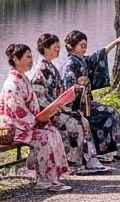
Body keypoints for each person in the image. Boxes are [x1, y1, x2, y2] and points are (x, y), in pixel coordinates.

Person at [30, 33, 109, 173]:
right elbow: (40, 98)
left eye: (58, 47)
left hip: (57, 108)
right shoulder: (40, 70)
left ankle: (88, 158)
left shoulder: (50, 67)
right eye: (55, 47)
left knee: (81, 119)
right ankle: (74, 164)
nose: (58, 50)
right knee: (74, 123)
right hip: (47, 113)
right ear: (45, 48)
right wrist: (56, 107)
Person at [0, 44, 72, 192]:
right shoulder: (12, 82)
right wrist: (35, 121)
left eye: (31, 57)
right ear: (15, 59)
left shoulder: (23, 79)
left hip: (26, 124)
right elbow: (16, 109)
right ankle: (45, 180)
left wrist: (42, 118)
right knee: (44, 137)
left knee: (53, 132)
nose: (31, 60)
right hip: (14, 127)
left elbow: (31, 106)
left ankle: (52, 176)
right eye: (27, 57)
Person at [62, 30, 120, 159]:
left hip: (87, 104)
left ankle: (116, 149)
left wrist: (116, 42)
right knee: (110, 113)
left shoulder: (82, 60)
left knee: (112, 112)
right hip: (77, 107)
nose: (84, 48)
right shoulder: (70, 65)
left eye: (85, 45)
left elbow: (99, 55)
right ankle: (108, 150)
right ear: (72, 46)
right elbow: (68, 90)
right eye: (81, 46)